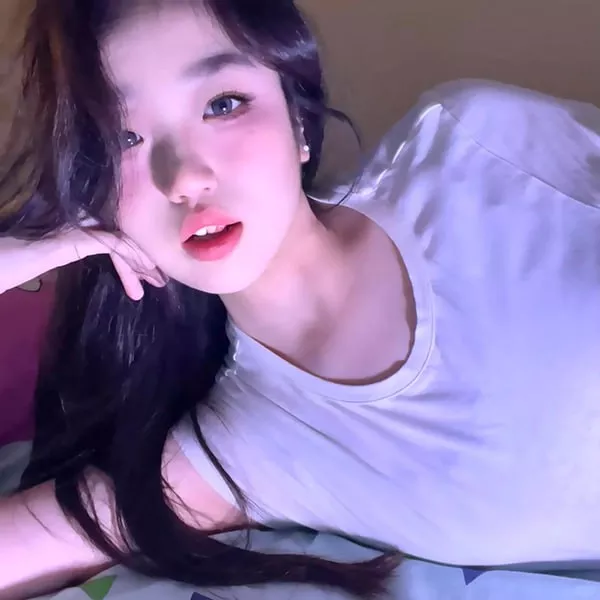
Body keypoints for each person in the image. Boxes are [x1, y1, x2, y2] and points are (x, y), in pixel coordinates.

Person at [2, 0, 600, 597]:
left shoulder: (471, 150)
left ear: (298, 123)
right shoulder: (249, 449)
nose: (184, 177)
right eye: (122, 138)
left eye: (223, 104)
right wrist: (20, 250)